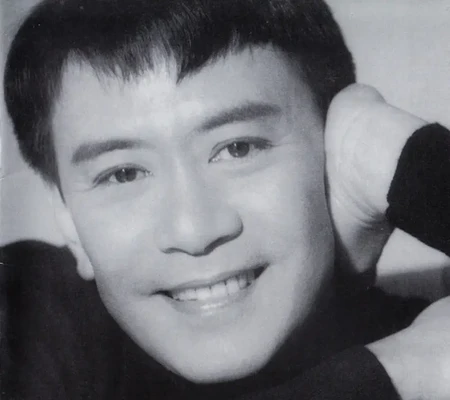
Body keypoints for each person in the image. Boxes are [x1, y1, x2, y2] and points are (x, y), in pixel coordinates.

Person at [1, 0, 445, 399]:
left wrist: (389, 151)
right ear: (67, 218)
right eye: (123, 174)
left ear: (331, 153)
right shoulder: (28, 314)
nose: (193, 230)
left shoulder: (427, 334)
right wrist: (395, 372)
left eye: (238, 149)